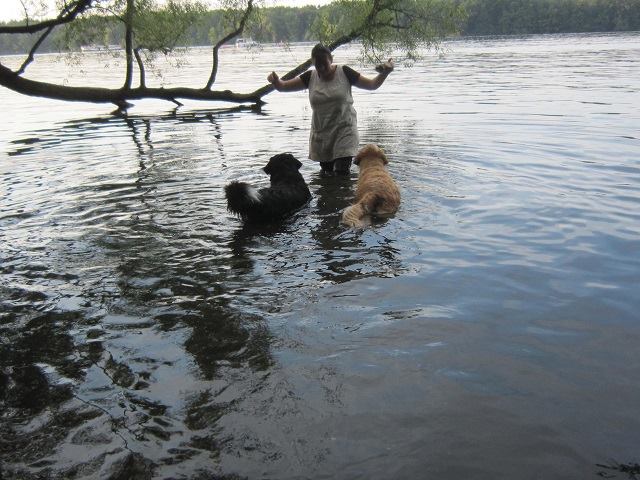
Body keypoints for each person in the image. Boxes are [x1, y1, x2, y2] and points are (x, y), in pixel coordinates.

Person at [267, 43, 394, 176]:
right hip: (322, 134)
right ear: (313, 63)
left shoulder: (345, 72)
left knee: (341, 172)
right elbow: (283, 87)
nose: (321, 68)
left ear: (331, 59)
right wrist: (275, 81)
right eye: (317, 65)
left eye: (324, 64)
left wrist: (385, 73)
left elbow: (372, 85)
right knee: (326, 175)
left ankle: (345, 196)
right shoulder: (310, 77)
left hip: (345, 131)